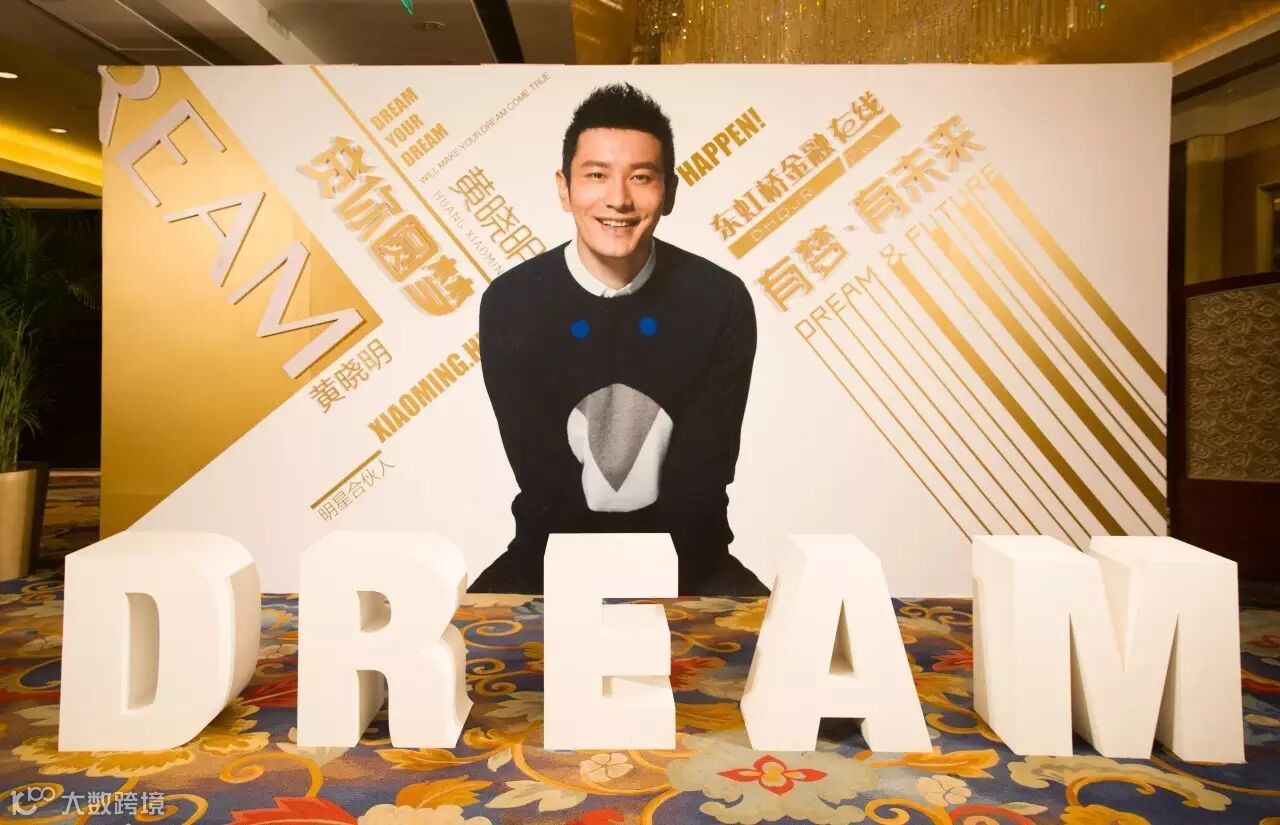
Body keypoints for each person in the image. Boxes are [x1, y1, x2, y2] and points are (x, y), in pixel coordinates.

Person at [473, 82, 763, 596]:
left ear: (669, 192)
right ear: (564, 189)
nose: (619, 199)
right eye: (597, 175)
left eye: (641, 177)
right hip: (550, 555)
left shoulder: (719, 299)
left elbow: (703, 475)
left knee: (787, 640)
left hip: (691, 559)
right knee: (455, 641)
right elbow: (543, 478)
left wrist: (646, 589)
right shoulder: (513, 301)